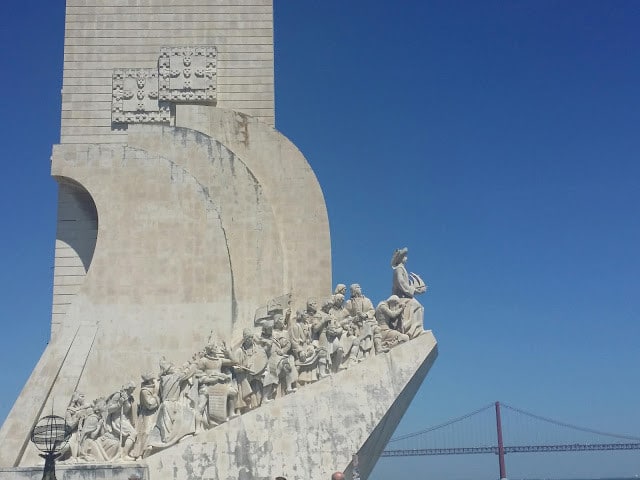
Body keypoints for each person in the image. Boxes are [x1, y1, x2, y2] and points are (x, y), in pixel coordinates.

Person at [391, 247, 427, 338]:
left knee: (419, 307)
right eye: (405, 256)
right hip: (400, 297)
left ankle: (418, 329)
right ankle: (412, 331)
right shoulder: (399, 269)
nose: (406, 258)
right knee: (416, 305)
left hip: (405, 296)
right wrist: (414, 290)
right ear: (401, 258)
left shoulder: (402, 269)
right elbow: (401, 282)